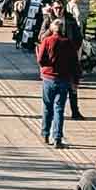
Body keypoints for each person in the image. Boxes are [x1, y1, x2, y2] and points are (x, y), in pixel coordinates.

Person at [36, 19, 79, 148]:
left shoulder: (47, 41)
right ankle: (57, 138)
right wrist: (75, 81)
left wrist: (45, 66)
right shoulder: (68, 43)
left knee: (47, 106)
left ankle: (45, 134)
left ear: (52, 29)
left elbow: (40, 59)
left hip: (48, 78)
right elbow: (75, 64)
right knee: (59, 108)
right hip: (63, 79)